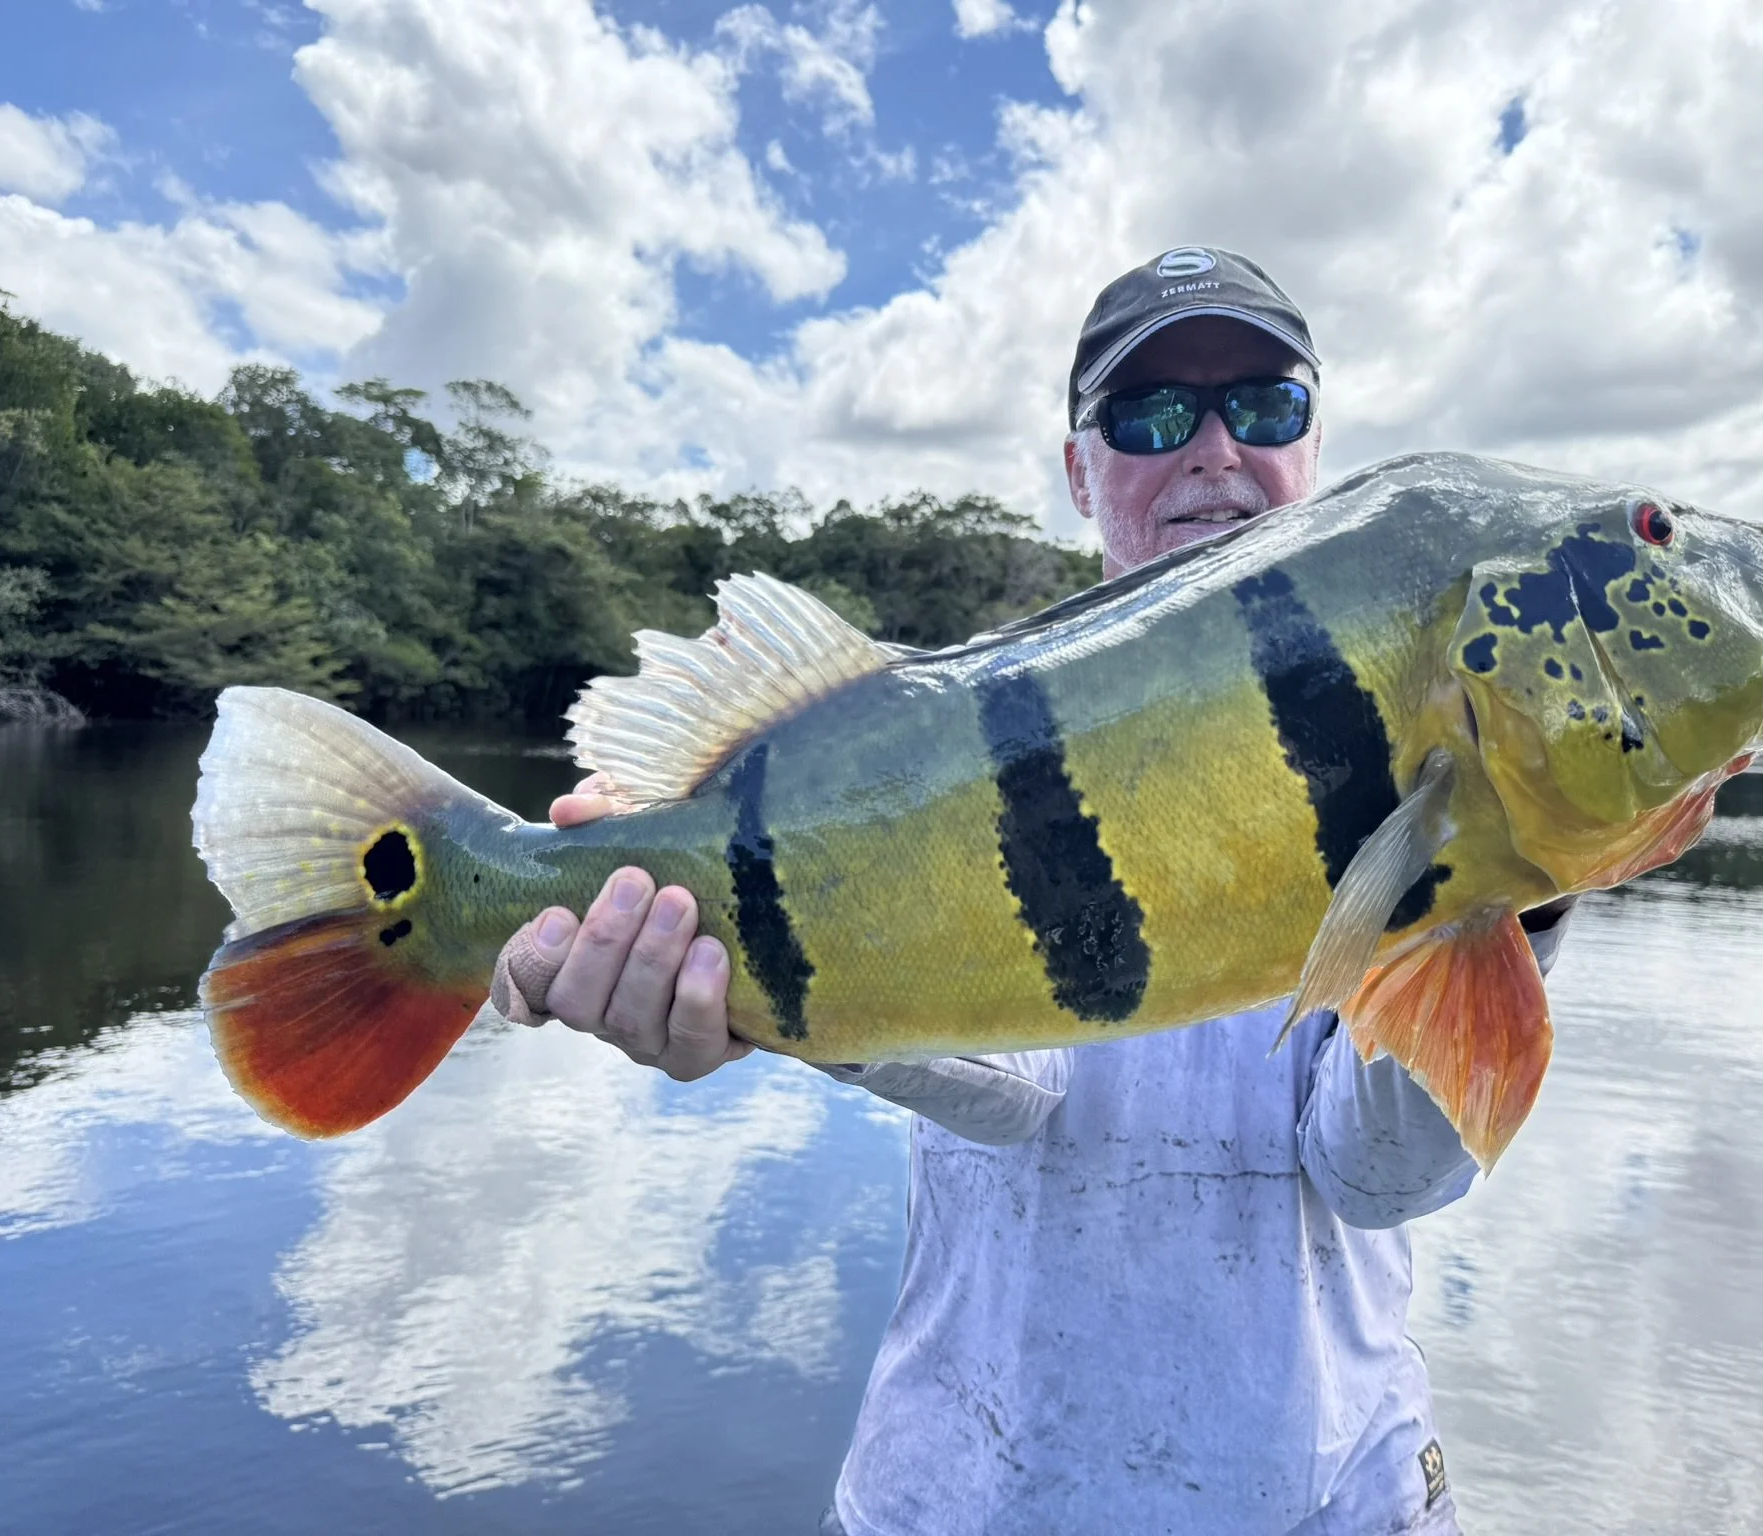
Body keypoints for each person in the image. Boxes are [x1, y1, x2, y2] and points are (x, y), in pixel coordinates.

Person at [492, 248, 1572, 1535]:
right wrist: (614, 943)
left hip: (1333, 1495)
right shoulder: (943, 725)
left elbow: (1376, 1176)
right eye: (1151, 416)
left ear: (1314, 447)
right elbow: (1019, 1088)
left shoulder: (1417, 729)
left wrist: (1517, 888)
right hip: (964, 1495)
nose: (1215, 450)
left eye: (1264, 408)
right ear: (1078, 470)